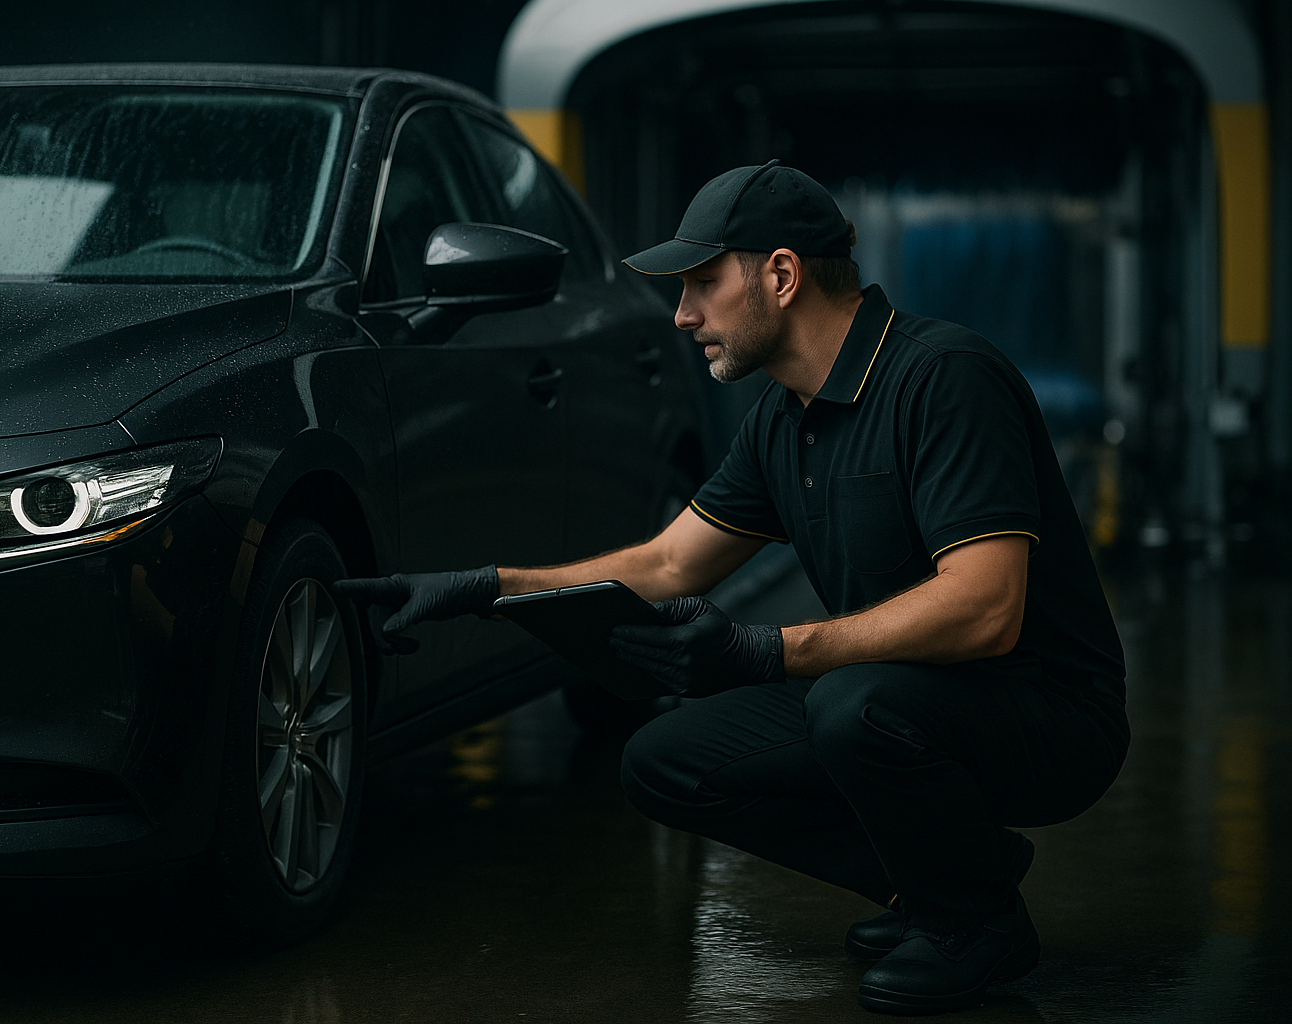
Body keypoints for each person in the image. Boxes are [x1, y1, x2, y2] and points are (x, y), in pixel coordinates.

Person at [335, 162, 1128, 1016]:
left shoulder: (943, 378)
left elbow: (986, 608)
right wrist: (488, 586)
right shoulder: (783, 417)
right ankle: (940, 884)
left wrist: (766, 650)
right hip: (909, 701)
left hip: (1048, 715)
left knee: (850, 706)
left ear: (781, 276)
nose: (683, 315)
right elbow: (670, 563)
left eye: (703, 283)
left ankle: (978, 923)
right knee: (667, 762)